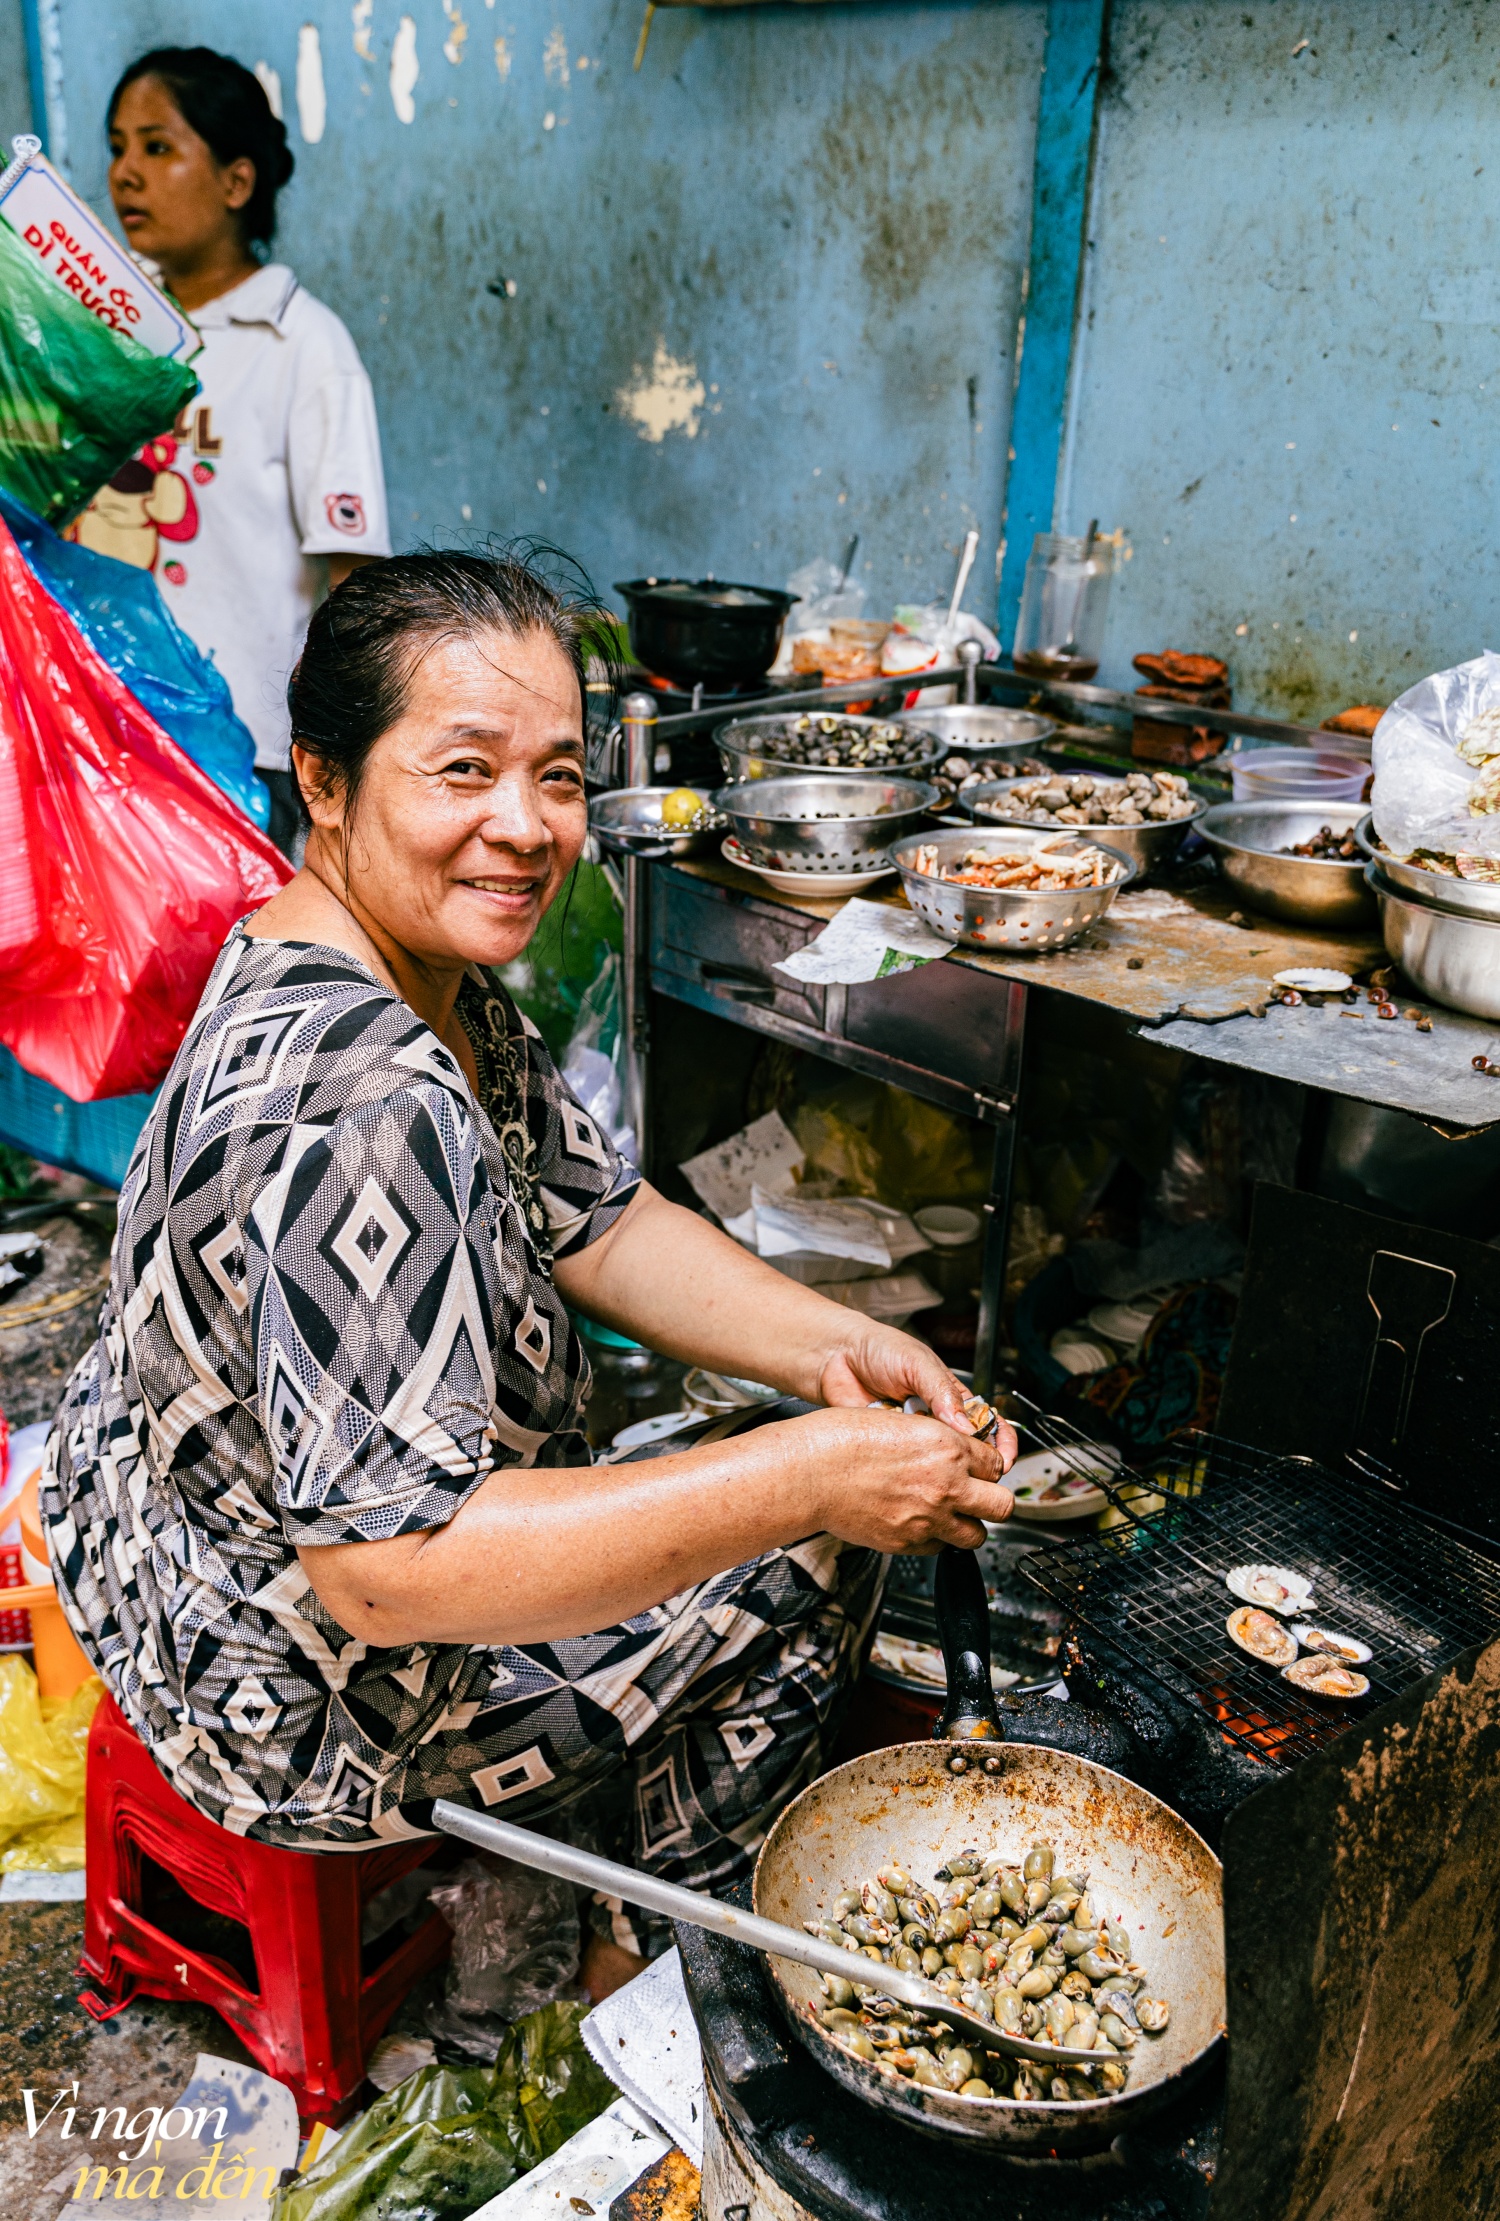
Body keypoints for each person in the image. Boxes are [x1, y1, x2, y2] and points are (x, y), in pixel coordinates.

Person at [42, 549, 1014, 1999]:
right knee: (817, 1543)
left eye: (557, 777)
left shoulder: (362, 957)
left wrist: (830, 1356)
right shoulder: (365, 1107)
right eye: (462, 771)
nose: (524, 827)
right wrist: (816, 1477)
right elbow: (385, 1571)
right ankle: (669, 1968)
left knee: (772, 1454)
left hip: (168, 1548)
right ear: (324, 778)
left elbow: (602, 1221)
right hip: (294, 1696)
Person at [69, 46, 391, 855]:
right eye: (116, 147)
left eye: (157, 147)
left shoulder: (301, 343)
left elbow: (352, 577)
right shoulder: (101, 325)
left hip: (240, 744)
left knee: (218, 969)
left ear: (237, 183)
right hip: (93, 719)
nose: (126, 174)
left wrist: (334, 750)